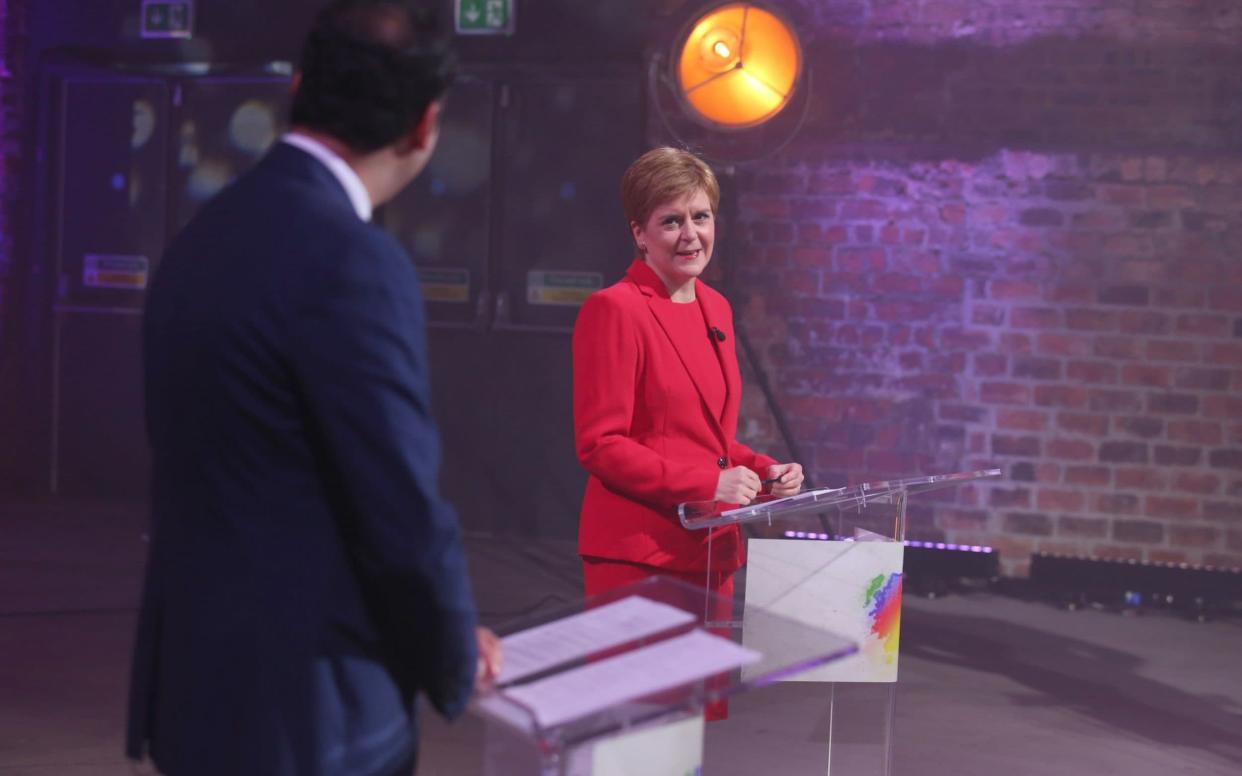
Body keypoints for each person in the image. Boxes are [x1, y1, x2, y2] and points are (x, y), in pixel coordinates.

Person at [125, 3, 500, 775]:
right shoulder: (353, 261)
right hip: (311, 712)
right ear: (424, 126)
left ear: (298, 87)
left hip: (196, 693)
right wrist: (452, 653)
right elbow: (397, 505)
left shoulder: (203, 236)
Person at [572, 145, 806, 621]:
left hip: (710, 549)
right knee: (649, 697)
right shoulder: (616, 309)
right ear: (639, 233)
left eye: (701, 216)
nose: (691, 234)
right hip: (641, 553)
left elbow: (702, 439)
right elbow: (601, 444)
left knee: (708, 698)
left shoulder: (715, 306)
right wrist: (708, 483)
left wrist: (762, 471)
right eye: (671, 221)